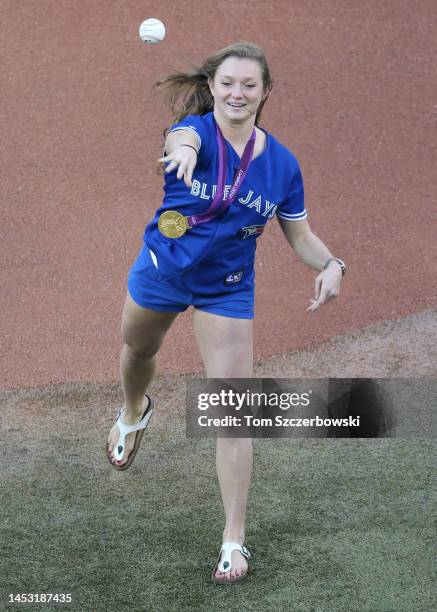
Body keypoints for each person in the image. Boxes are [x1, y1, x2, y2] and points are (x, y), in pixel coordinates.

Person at [106, 41, 346, 584]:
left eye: (249, 85)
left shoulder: (282, 165)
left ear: (265, 93)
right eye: (228, 83)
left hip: (227, 289)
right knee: (138, 350)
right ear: (212, 86)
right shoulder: (191, 133)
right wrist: (185, 150)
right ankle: (133, 410)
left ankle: (233, 541)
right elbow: (182, 138)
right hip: (163, 267)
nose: (237, 93)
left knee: (233, 409)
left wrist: (332, 263)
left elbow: (300, 235)